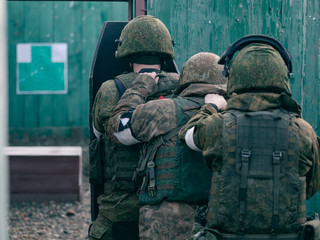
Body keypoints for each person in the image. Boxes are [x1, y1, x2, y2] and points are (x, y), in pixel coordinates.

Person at [179, 35, 320, 240]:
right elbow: (310, 188)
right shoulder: (304, 132)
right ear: (283, 76)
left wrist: (211, 106)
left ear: (233, 76)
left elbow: (188, 135)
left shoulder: (218, 126)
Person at [107, 52, 228, 240]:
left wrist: (140, 87)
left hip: (165, 223)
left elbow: (117, 128)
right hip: (221, 219)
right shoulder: (236, 116)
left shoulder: (164, 109)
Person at [88, 15, 179, 240]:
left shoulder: (110, 89)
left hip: (120, 213)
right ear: (166, 52)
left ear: (125, 52)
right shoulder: (182, 86)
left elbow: (99, 134)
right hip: (171, 212)